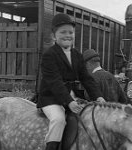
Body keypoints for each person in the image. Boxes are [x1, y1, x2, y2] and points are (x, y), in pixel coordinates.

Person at [37, 13, 105, 150]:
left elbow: (86, 78)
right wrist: (69, 101)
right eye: (63, 32)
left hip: (71, 97)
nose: (67, 35)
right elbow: (55, 82)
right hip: (51, 98)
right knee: (58, 120)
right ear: (54, 36)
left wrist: (98, 96)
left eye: (71, 32)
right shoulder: (49, 55)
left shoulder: (77, 55)